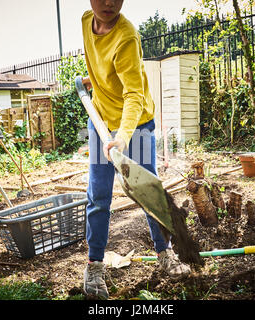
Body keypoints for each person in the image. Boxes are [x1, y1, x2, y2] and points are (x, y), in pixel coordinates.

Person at [81, 0, 191, 299]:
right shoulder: (85, 21)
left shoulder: (127, 36)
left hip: (136, 123)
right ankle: (94, 265)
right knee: (98, 196)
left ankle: (165, 252)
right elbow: (104, 68)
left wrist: (123, 136)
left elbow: (133, 94)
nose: (108, 3)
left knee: (148, 191)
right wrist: (95, 82)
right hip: (100, 120)